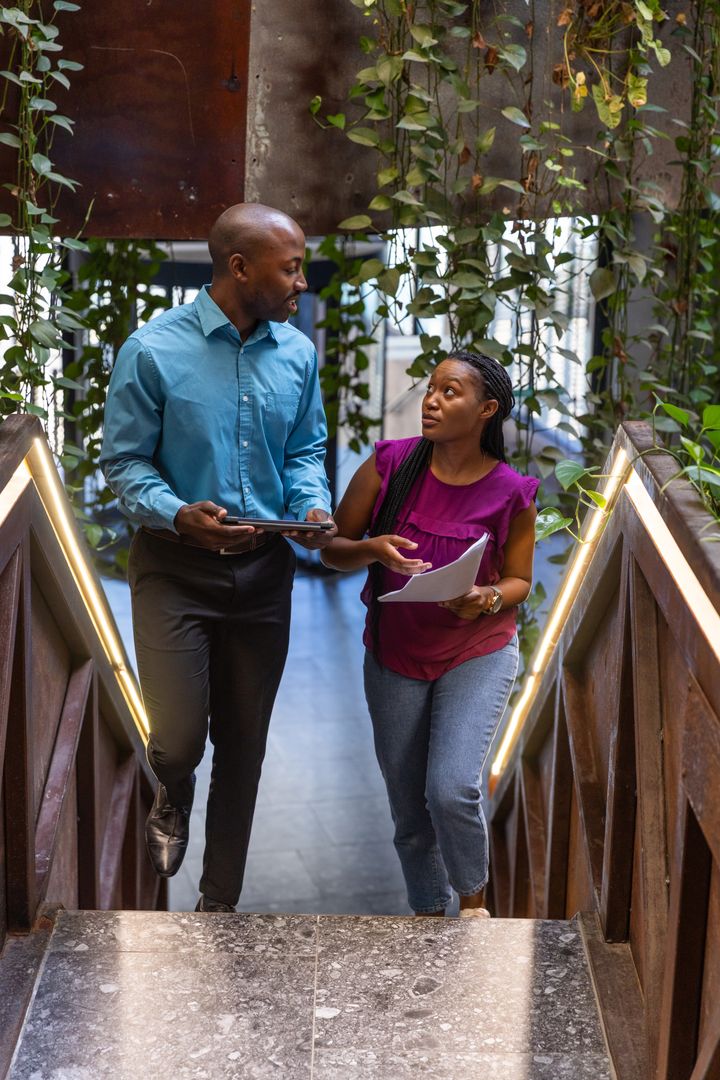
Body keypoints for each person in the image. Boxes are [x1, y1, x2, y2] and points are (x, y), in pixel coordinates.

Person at [100, 203, 336, 913]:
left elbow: (304, 451)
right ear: (240, 269)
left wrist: (313, 505)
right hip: (176, 571)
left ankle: (218, 904)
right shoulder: (151, 351)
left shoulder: (296, 353)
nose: (302, 282)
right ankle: (171, 791)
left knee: (245, 747)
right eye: (290, 268)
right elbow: (125, 463)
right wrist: (178, 513)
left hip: (264, 575)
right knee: (176, 742)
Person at [321, 351, 538, 917]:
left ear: (486, 409)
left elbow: (519, 581)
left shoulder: (512, 491)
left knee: (451, 788)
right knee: (409, 812)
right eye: (432, 389)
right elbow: (331, 550)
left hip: (477, 650)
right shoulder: (390, 465)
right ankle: (426, 920)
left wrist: (486, 597)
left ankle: (473, 911)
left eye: (451, 392)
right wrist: (372, 547)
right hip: (395, 655)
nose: (433, 401)